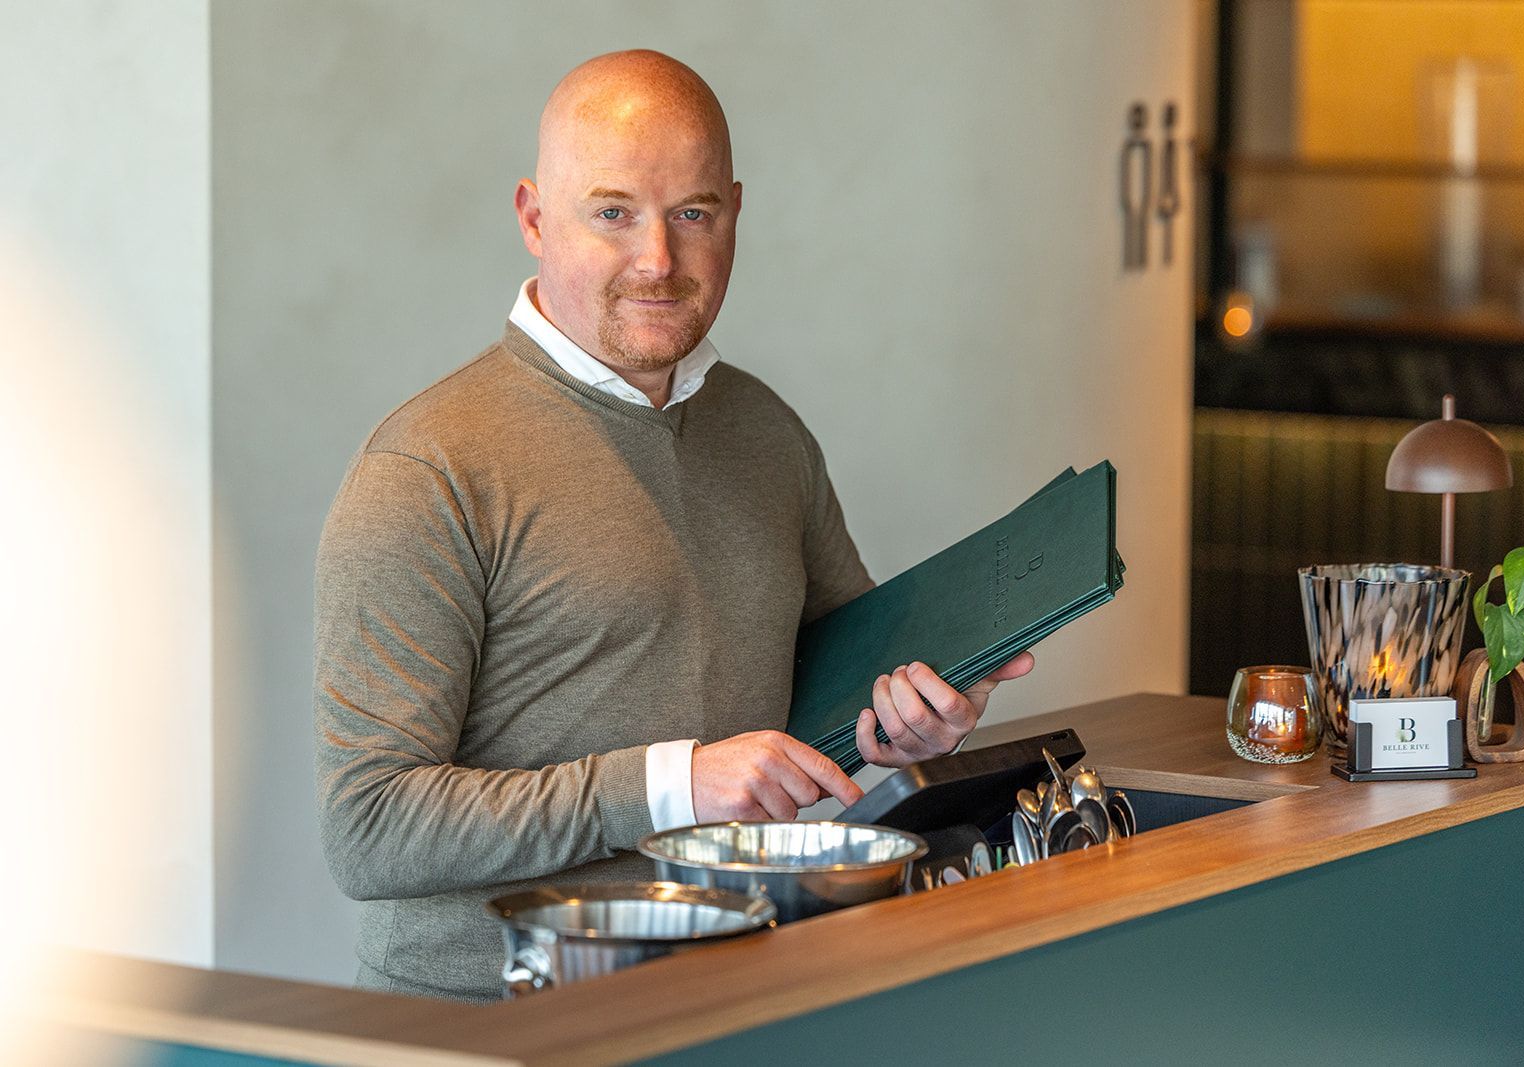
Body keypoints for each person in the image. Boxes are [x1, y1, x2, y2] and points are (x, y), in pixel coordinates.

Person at [313, 49, 1033, 1002]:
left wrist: (904, 724)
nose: (659, 259)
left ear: (735, 210)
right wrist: (670, 787)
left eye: (694, 214)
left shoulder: (765, 430)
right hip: (489, 1028)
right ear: (534, 218)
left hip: (737, 1003)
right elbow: (368, 829)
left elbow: (833, 683)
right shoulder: (426, 468)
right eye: (612, 213)